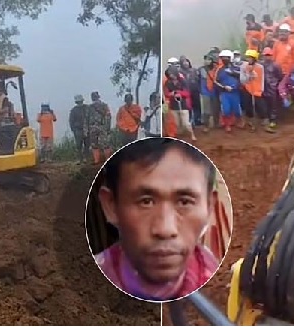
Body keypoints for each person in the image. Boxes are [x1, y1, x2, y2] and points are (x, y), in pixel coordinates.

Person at [94, 138, 220, 301]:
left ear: (209, 206)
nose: (165, 229)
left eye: (184, 202)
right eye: (146, 202)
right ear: (111, 206)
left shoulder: (215, 280)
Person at [164, 66, 197, 141]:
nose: (171, 75)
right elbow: (166, 93)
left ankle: (192, 135)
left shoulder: (183, 81)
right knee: (177, 124)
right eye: (169, 74)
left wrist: (179, 93)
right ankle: (180, 136)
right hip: (173, 105)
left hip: (183, 104)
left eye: (172, 73)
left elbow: (187, 93)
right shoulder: (168, 83)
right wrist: (171, 94)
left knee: (186, 123)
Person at [240, 49, 269, 132]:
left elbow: (262, 78)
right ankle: (251, 123)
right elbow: (242, 80)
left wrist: (261, 89)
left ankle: (265, 122)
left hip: (257, 90)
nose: (248, 59)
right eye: (247, 57)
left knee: (261, 106)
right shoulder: (243, 67)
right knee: (248, 106)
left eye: (250, 58)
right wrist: (249, 75)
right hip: (248, 89)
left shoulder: (260, 67)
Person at [216, 50, 243, 132]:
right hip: (224, 93)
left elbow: (241, 80)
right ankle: (227, 125)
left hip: (235, 92)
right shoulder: (219, 70)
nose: (224, 59)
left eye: (226, 57)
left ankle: (239, 121)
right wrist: (224, 87)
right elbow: (216, 82)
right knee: (226, 109)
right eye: (222, 58)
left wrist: (234, 87)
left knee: (236, 109)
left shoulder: (236, 68)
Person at [261, 47, 283, 132]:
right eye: (266, 55)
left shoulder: (276, 65)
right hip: (263, 87)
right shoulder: (261, 65)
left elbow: (279, 76)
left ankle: (273, 120)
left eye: (269, 55)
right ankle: (266, 119)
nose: (267, 57)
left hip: (272, 88)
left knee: (273, 105)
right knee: (264, 105)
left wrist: (276, 85)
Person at [87, 91, 113, 165]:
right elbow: (108, 117)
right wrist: (108, 127)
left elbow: (108, 116)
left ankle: (98, 160)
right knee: (101, 144)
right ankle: (101, 160)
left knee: (98, 144)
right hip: (99, 127)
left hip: (97, 127)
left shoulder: (92, 107)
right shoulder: (102, 106)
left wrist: (87, 129)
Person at [199, 51, 221, 132]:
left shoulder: (217, 69)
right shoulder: (201, 70)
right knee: (206, 109)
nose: (207, 61)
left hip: (215, 91)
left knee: (216, 108)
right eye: (206, 59)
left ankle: (216, 123)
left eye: (209, 59)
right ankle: (206, 125)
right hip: (205, 91)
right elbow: (197, 80)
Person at [179, 56, 201, 126]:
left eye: (186, 61)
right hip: (186, 93)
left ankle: (197, 120)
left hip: (195, 91)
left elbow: (199, 79)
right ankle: (190, 121)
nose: (185, 63)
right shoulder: (179, 72)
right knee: (188, 107)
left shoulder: (194, 70)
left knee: (197, 106)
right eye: (183, 62)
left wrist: (199, 88)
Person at [69, 94, 89, 164]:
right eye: (78, 102)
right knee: (78, 145)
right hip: (78, 130)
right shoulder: (73, 110)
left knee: (87, 144)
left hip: (87, 129)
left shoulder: (87, 108)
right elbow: (71, 121)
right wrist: (73, 130)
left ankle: (86, 158)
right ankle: (79, 159)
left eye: (80, 101)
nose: (80, 103)